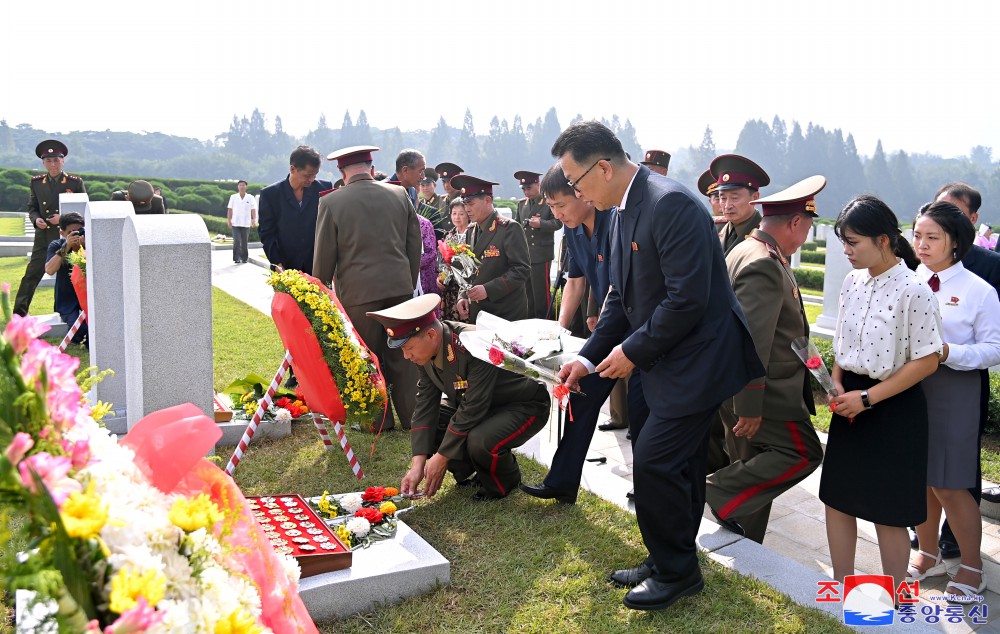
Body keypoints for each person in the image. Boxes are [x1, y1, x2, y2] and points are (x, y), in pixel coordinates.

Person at [553, 121, 763, 612]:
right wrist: (588, 356)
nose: (576, 192)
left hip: (698, 360)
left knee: (654, 463)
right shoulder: (624, 208)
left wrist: (629, 353)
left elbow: (685, 301)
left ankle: (677, 573)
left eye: (577, 182)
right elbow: (621, 298)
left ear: (603, 167)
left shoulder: (668, 203)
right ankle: (668, 553)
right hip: (664, 357)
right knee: (680, 466)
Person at [821, 195, 942, 595]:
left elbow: (926, 361)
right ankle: (840, 585)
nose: (846, 251)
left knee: (889, 511)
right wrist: (837, 384)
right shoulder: (853, 280)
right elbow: (842, 340)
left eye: (854, 242)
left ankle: (891, 595)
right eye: (843, 241)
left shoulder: (915, 289)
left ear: (885, 240)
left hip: (892, 407)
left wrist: (868, 399)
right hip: (849, 401)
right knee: (838, 499)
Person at [706, 176, 826, 543]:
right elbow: (753, 342)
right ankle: (713, 491)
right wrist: (749, 405)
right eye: (807, 227)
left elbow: (793, 333)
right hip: (767, 392)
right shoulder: (763, 263)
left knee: (752, 464)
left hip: (744, 386)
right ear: (795, 222)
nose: (805, 234)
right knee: (804, 451)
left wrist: (826, 382)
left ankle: (742, 535)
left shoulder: (751, 250)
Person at [519, 163, 648, 505]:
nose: (557, 214)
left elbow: (619, 289)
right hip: (607, 331)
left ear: (583, 193)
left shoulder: (614, 220)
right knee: (582, 395)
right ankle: (562, 481)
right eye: (552, 208)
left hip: (637, 330)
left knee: (642, 409)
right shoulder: (574, 230)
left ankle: (648, 485)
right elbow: (576, 281)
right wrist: (559, 331)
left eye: (561, 204)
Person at [368, 294, 549, 500]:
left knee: (480, 440)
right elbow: (426, 405)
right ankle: (476, 470)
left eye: (408, 348)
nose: (406, 356)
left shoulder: (473, 344)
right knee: (433, 422)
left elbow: (473, 407)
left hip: (523, 404)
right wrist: (417, 464)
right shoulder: (426, 353)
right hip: (483, 404)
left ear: (430, 335)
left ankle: (505, 481)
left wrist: (442, 457)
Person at [908, 201, 1000, 600]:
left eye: (932, 238)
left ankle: (972, 567)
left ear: (957, 243)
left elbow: (993, 350)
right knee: (922, 479)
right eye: (917, 236)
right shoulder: (910, 279)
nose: (922, 245)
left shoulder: (979, 291)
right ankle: (928, 555)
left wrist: (949, 353)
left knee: (950, 484)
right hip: (912, 388)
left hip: (955, 390)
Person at [313, 145, 421, 433]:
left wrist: (321, 289)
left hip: (359, 295)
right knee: (405, 355)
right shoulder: (400, 194)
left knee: (367, 358)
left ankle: (377, 421)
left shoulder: (332, 202)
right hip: (399, 290)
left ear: (341, 172)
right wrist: (407, 283)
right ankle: (412, 418)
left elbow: (325, 255)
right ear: (372, 169)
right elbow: (414, 244)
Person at [932, 182, 1000, 557]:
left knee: (958, 468)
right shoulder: (916, 266)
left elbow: (991, 342)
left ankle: (956, 540)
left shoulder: (988, 271)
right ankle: (925, 540)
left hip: (962, 376)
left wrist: (947, 353)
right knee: (926, 470)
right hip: (917, 382)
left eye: (953, 214)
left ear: (971, 222)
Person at [14, 140, 86, 317]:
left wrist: (60, 219)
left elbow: (84, 211)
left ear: (63, 161)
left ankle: (76, 312)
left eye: (56, 160)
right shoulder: (37, 182)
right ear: (43, 162)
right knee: (32, 274)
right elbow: (32, 207)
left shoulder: (74, 182)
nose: (53, 164)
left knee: (72, 275)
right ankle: (19, 314)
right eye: (48, 161)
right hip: (44, 236)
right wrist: (36, 218)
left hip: (71, 237)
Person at [452, 175, 530, 323]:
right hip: (478, 311)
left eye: (471, 203)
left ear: (488, 200)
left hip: (504, 312)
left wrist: (488, 290)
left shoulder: (509, 228)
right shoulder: (471, 230)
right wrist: (462, 295)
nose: (467, 209)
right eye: (464, 203)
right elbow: (467, 269)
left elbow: (521, 269)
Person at [258, 145, 332, 275]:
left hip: (317, 267)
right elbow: (267, 234)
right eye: (307, 175)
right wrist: (277, 264)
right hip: (285, 268)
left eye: (315, 175)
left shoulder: (324, 189)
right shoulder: (270, 194)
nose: (312, 180)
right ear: (293, 169)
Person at [514, 170, 562, 319]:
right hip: (525, 256)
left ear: (538, 184)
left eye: (529, 188)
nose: (526, 192)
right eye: (523, 189)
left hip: (541, 255)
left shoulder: (548, 202)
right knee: (528, 294)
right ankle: (530, 320)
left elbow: (558, 222)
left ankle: (545, 321)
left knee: (542, 294)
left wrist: (541, 223)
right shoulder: (522, 205)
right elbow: (517, 228)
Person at [42, 212, 88, 346]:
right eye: (71, 232)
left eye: (79, 230)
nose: (76, 234)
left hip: (88, 297)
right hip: (67, 300)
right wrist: (66, 247)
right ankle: (76, 339)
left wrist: (85, 247)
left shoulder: (91, 243)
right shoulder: (57, 245)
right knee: (79, 327)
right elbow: (50, 269)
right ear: (62, 233)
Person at [711, 154, 770, 256]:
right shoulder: (714, 228)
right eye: (723, 198)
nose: (727, 205)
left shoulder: (768, 234)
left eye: (735, 198)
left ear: (755, 197)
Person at [439, 198, 471, 321]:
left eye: (461, 214)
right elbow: (442, 261)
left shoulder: (473, 234)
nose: (457, 217)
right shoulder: (449, 235)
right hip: (449, 288)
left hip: (465, 287)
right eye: (454, 213)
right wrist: (441, 278)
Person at [227, 180, 257, 264]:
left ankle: (244, 258)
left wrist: (254, 219)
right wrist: (229, 220)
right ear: (238, 187)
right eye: (240, 185)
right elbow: (230, 209)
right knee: (236, 240)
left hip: (246, 223)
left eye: (243, 185)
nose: (241, 187)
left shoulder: (250, 197)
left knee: (244, 242)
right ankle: (236, 258)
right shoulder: (233, 197)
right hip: (235, 222)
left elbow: (253, 209)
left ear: (246, 186)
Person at [434, 161, 463, 233]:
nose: (446, 185)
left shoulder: (464, 199)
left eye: (449, 181)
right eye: (444, 182)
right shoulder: (442, 200)